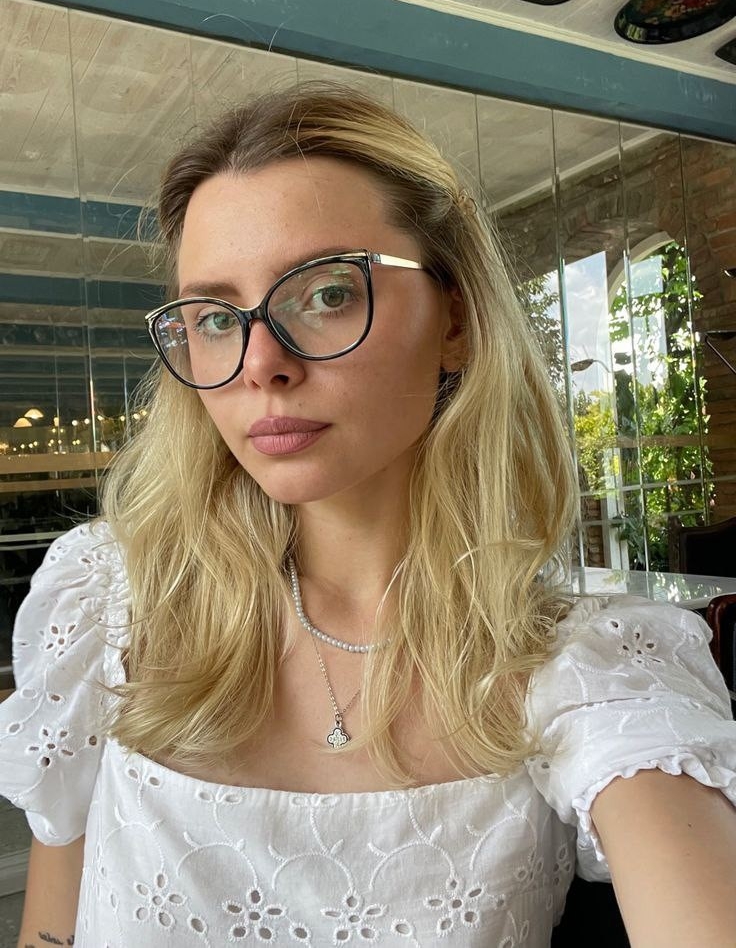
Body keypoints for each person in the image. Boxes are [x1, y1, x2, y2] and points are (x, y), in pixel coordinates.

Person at [1, 82, 735, 948]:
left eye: (326, 294)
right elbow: (53, 930)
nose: (259, 363)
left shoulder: (583, 668)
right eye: (214, 317)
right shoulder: (110, 601)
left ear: (455, 317)